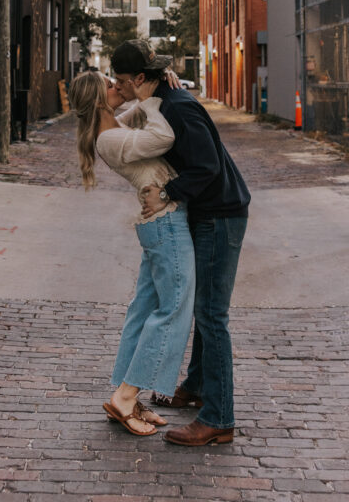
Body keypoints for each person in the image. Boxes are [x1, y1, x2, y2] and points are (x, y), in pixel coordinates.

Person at [111, 39, 250, 447]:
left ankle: (218, 418)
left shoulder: (178, 108)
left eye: (121, 81)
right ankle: (195, 386)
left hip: (220, 216)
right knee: (205, 309)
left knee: (211, 316)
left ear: (140, 78)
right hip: (213, 213)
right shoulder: (166, 101)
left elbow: (206, 165)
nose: (118, 88)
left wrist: (168, 192)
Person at [69, 67, 196, 437]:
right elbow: (163, 135)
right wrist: (150, 96)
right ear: (97, 98)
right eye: (110, 85)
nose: (117, 87)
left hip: (160, 225)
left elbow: (139, 112)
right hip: (167, 223)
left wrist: (156, 80)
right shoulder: (109, 139)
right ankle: (126, 397)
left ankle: (127, 395)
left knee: (143, 311)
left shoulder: (112, 127)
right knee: (173, 309)